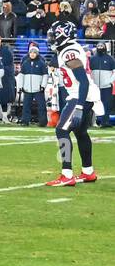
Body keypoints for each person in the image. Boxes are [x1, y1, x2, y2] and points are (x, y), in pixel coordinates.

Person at [44, 22, 101, 186]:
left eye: (54, 35)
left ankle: (67, 174)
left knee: (61, 130)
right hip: (84, 95)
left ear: (63, 35)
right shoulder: (67, 49)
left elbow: (83, 81)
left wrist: (79, 106)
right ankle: (88, 172)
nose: (51, 38)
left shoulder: (69, 51)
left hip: (80, 96)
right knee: (81, 132)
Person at [17, 41, 48, 126]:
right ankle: (25, 121)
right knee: (26, 106)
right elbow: (21, 75)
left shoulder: (41, 63)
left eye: (34, 53)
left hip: (38, 89)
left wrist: (43, 86)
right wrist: (21, 86)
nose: (32, 54)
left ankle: (43, 122)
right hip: (27, 88)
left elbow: (45, 75)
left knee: (41, 106)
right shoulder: (25, 63)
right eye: (31, 52)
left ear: (37, 53)